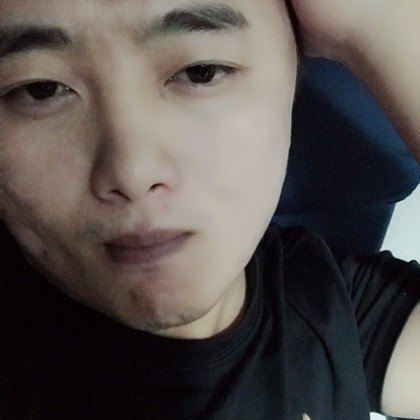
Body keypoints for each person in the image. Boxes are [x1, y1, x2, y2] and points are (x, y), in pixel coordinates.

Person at [0, 0, 418, 418]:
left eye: (200, 72)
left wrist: (372, 27)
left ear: (292, 80)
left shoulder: (331, 306)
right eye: (40, 90)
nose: (132, 172)